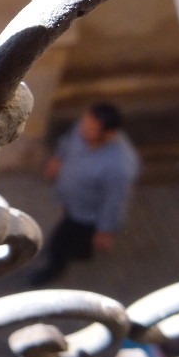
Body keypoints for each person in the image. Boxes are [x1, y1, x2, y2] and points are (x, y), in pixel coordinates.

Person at [29, 103, 140, 286]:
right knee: (79, 238)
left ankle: (53, 268)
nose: (82, 129)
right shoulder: (83, 130)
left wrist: (105, 230)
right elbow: (67, 141)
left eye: (91, 128)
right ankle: (82, 251)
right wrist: (57, 159)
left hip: (85, 214)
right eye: (84, 122)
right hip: (71, 201)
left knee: (61, 241)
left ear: (109, 134)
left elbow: (115, 202)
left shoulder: (120, 166)